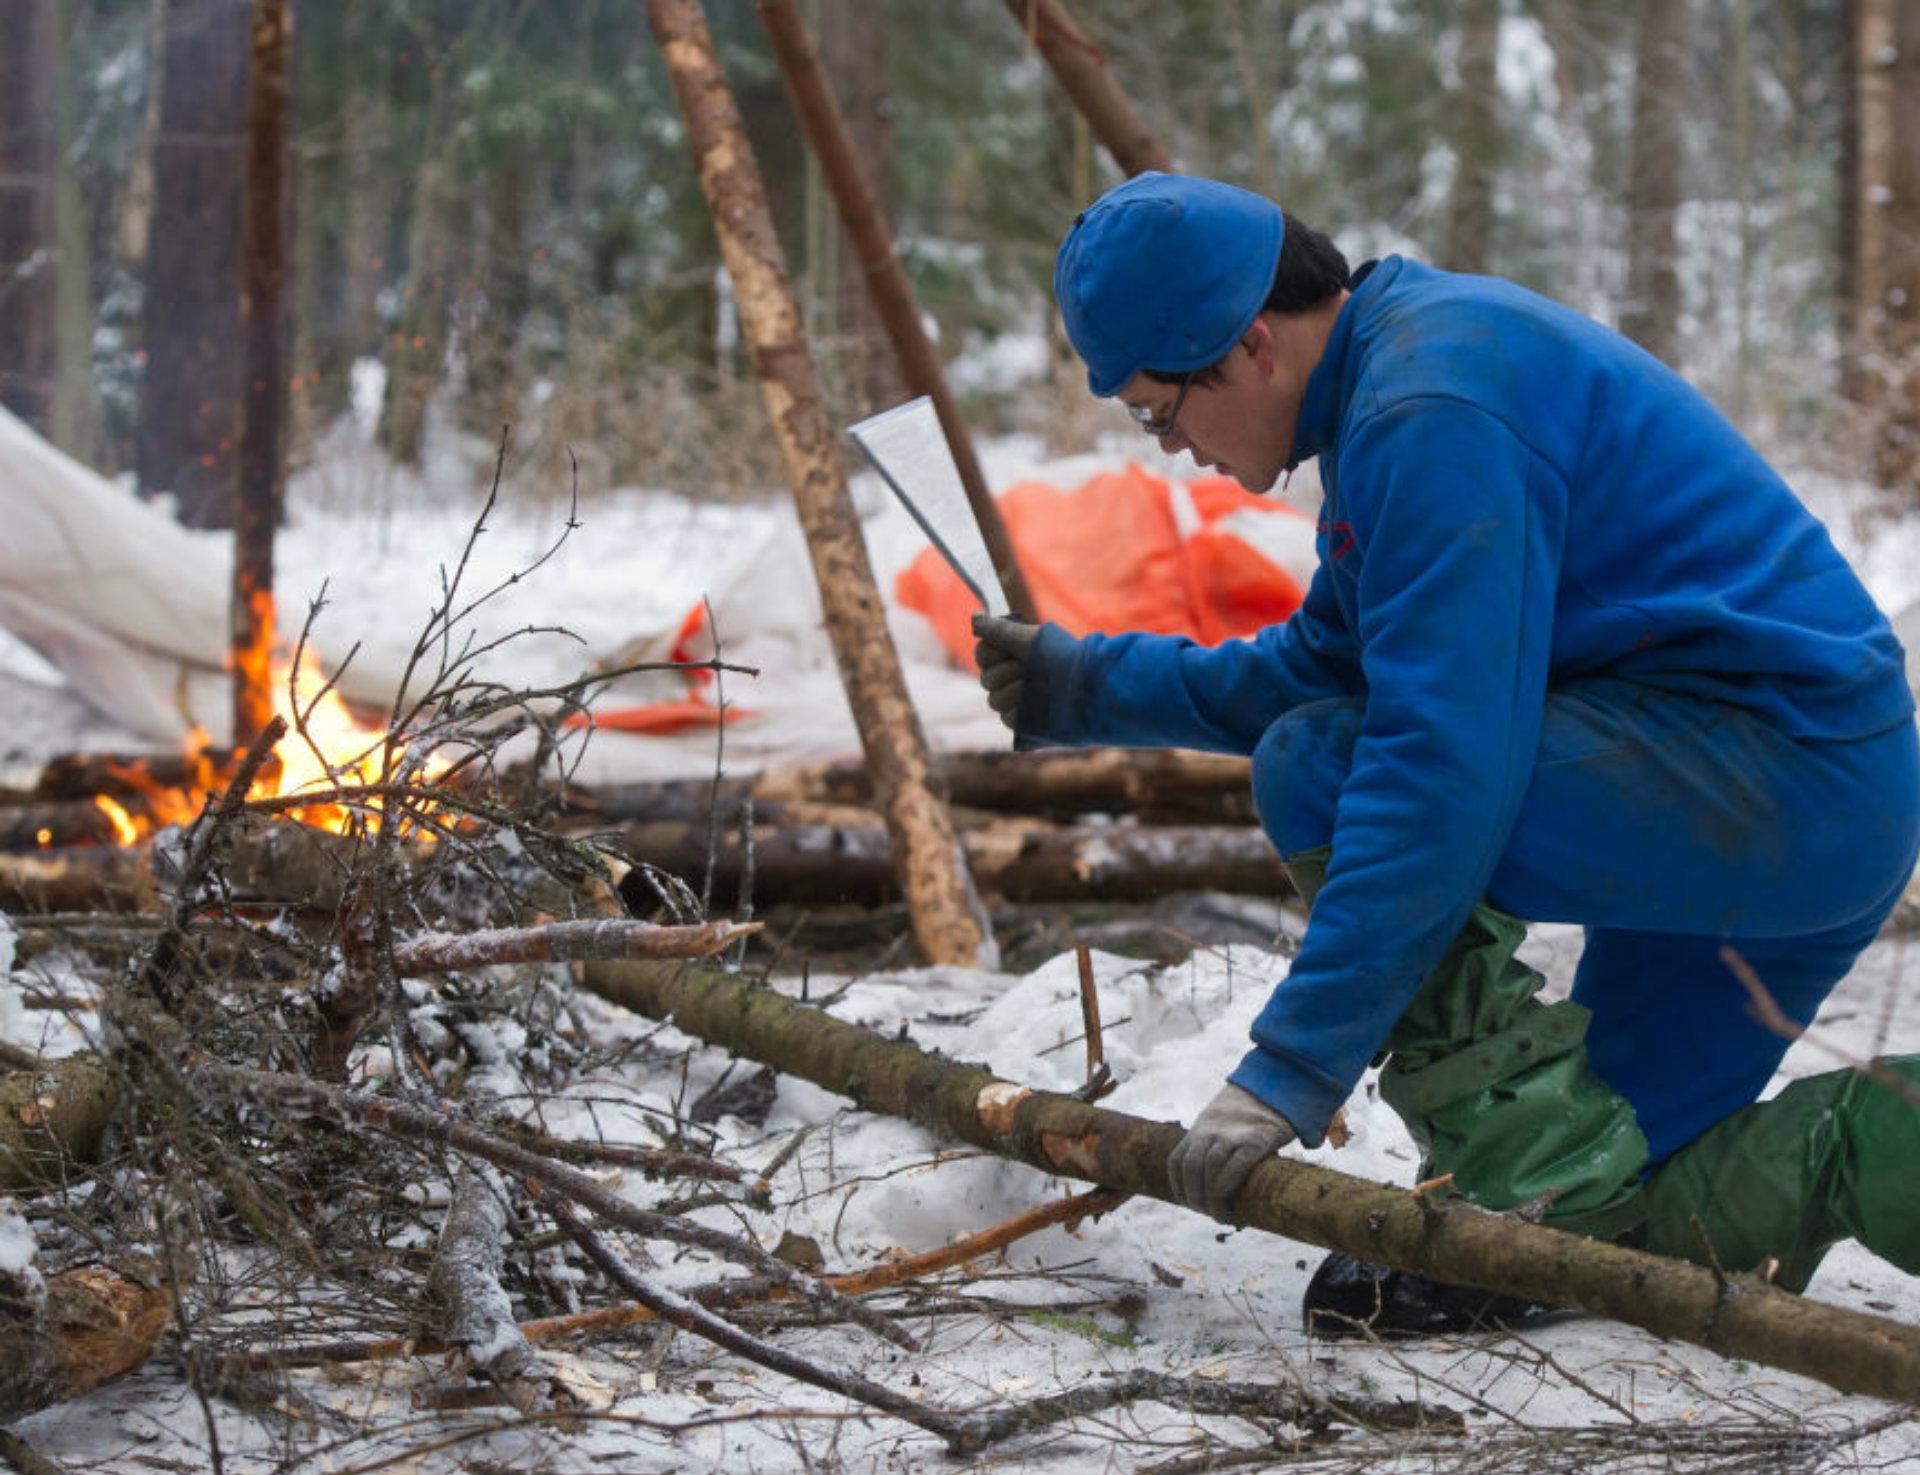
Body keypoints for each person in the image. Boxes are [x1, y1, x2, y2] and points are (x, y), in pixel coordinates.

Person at [973, 171, 1920, 1336]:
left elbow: (1434, 766)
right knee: (1614, 1211)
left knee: (1323, 766)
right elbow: (1329, 662)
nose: (1172, 448)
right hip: (1784, 800)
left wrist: (1289, 1068)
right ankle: (1853, 1147)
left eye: (1157, 411)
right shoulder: (1405, 372)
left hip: (1776, 787)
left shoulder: (1430, 407)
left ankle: (1523, 1185)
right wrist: (1081, 684)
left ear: (1251, 345)